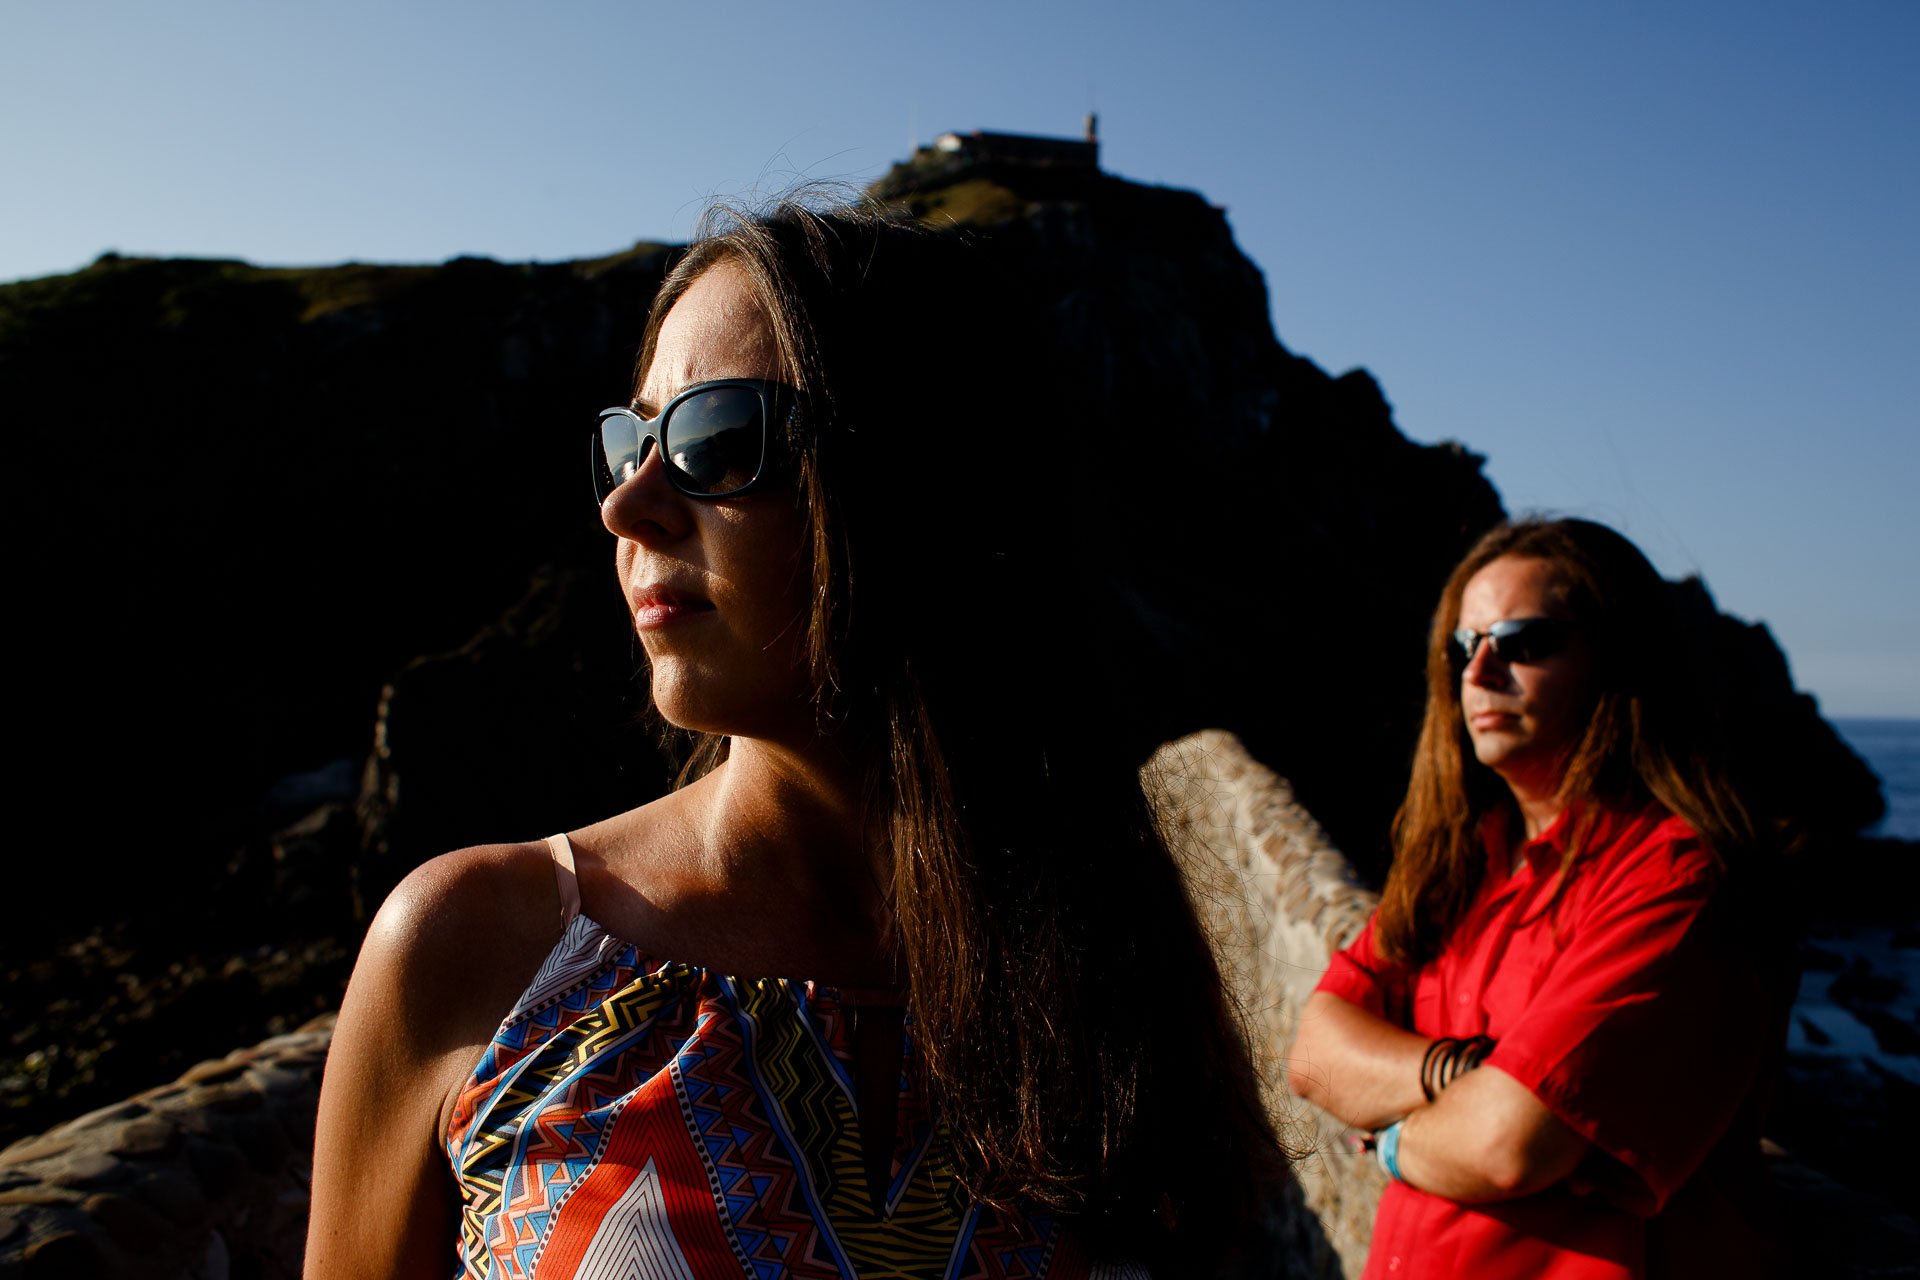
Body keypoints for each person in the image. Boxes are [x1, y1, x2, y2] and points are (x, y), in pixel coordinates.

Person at [303, 202, 1281, 1280]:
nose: (628, 506)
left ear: (926, 481)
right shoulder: (484, 948)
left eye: (716, 439)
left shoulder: (1111, 980)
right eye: (630, 441)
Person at [1288, 517, 1790, 1279]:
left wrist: (1391, 1135)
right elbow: (1317, 1048)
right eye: (1465, 647)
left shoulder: (1674, 877)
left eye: (1522, 643)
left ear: (1616, 660)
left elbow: (1508, 1146)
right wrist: (1464, 1077)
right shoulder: (1462, 860)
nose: (1480, 672)